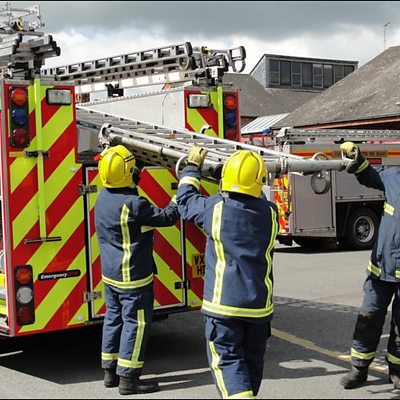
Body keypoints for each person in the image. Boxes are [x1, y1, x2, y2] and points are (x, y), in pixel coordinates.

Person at [176, 146, 279, 399]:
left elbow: (186, 201)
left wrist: (192, 168)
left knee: (228, 361)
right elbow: (250, 201)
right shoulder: (271, 214)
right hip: (259, 309)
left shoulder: (215, 209)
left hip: (224, 307)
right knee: (252, 365)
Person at [94, 145, 180, 395]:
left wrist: (134, 167)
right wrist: (181, 193)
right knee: (136, 324)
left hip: (111, 275)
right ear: (127, 173)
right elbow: (166, 217)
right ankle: (129, 379)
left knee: (113, 319)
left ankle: (110, 372)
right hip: (133, 277)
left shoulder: (103, 197)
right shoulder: (134, 204)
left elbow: (128, 185)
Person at [339, 141, 400, 390]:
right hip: (381, 270)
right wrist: (357, 159)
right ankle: (359, 369)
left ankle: (397, 371)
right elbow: (370, 176)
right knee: (368, 318)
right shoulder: (394, 177)